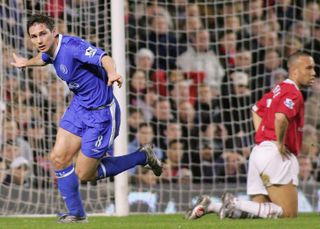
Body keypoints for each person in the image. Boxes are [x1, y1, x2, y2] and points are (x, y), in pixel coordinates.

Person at [11, 14, 163, 223]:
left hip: (101, 114)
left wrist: (112, 73)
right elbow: (43, 59)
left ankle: (142, 157)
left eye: (43, 34)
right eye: (34, 36)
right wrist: (25, 63)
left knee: (84, 173)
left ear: (54, 32)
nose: (39, 40)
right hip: (79, 106)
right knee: (58, 158)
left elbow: (104, 58)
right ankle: (77, 214)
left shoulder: (73, 47)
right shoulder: (49, 50)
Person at [185, 51, 316, 220]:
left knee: (259, 213)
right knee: (289, 214)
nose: (313, 73)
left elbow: (256, 109)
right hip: (276, 155)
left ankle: (212, 205)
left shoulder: (278, 89)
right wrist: (279, 142)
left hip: (259, 152)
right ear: (295, 71)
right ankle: (234, 203)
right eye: (309, 68)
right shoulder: (293, 93)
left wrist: (263, 136)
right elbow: (280, 118)